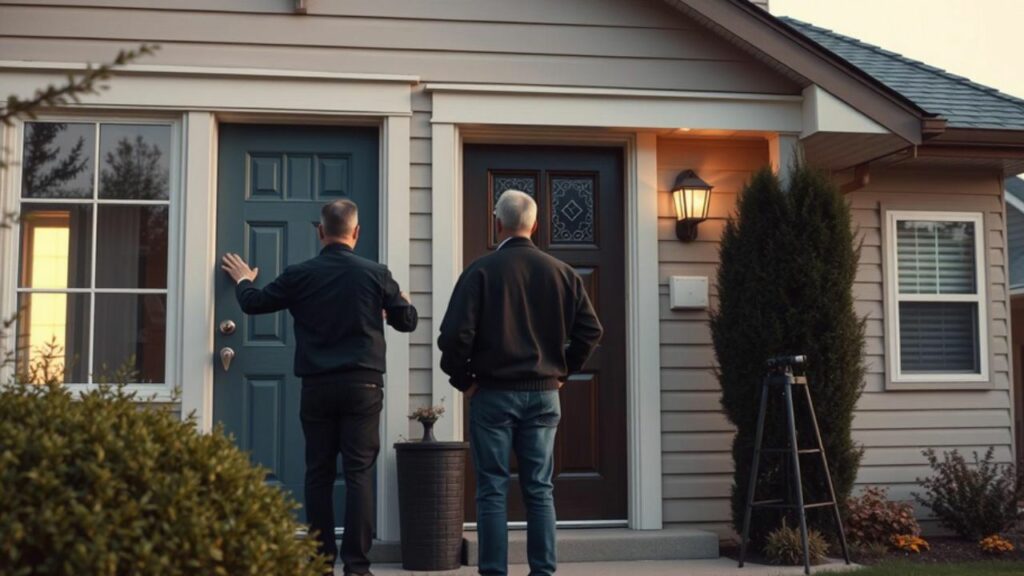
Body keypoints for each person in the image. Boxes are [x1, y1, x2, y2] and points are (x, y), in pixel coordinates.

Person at [221, 199, 417, 576]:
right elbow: (407, 322)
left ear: (320, 232)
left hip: (318, 386)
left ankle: (320, 563)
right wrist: (401, 302)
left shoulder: (301, 274)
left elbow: (254, 304)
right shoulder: (376, 274)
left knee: (318, 473)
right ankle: (357, 568)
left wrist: (244, 278)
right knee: (359, 473)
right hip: (363, 385)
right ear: (356, 232)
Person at [438, 189, 603, 576]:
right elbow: (591, 331)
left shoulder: (480, 271)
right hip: (544, 395)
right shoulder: (561, 273)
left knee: (492, 489)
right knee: (539, 489)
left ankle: (494, 571)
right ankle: (542, 571)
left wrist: (464, 380)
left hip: (493, 394)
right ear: (536, 224)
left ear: (498, 224)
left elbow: (452, 337)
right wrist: (561, 372)